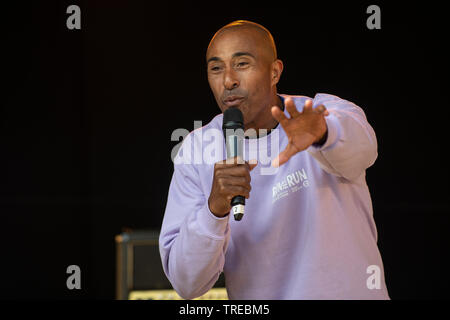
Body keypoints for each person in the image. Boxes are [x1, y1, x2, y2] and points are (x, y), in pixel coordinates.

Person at [159, 20, 389, 299]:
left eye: (242, 64)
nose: (228, 80)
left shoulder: (324, 112)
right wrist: (214, 209)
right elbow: (187, 284)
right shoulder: (196, 149)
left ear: (274, 71)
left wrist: (322, 134)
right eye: (216, 68)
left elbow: (365, 152)